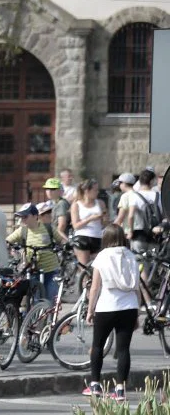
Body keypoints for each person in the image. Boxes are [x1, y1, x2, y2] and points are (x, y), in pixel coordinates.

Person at [84, 225, 140, 400]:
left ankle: (95, 385)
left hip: (107, 306)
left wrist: (90, 309)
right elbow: (137, 286)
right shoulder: (131, 256)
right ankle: (120, 389)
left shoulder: (102, 256)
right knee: (123, 349)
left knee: (98, 345)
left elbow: (95, 287)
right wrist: (137, 311)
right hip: (129, 306)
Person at [7, 203, 67, 302]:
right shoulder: (22, 230)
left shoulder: (48, 228)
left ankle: (48, 317)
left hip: (50, 270)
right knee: (35, 299)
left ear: (35, 216)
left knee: (50, 299)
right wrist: (13, 251)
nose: (22, 220)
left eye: (25, 217)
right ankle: (32, 315)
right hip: (32, 270)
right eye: (21, 217)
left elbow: (61, 240)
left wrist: (65, 246)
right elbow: (7, 241)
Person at [115, 169, 163, 255]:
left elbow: (131, 215)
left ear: (140, 181)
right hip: (155, 234)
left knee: (138, 261)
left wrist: (130, 231)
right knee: (152, 263)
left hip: (139, 234)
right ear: (152, 181)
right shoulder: (158, 196)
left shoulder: (135, 195)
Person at [70, 179, 106, 265]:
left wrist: (104, 218)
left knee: (98, 267)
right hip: (82, 237)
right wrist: (90, 219)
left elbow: (104, 223)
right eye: (95, 190)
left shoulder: (100, 203)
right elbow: (76, 225)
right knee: (84, 267)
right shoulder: (76, 205)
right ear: (87, 191)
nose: (97, 192)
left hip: (97, 236)